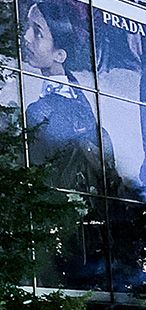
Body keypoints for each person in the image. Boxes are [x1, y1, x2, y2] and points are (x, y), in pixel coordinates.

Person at [22, 0, 119, 194]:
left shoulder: (41, 111)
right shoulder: (80, 104)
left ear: (59, 55)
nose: (26, 36)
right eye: (27, 26)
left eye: (38, 32)